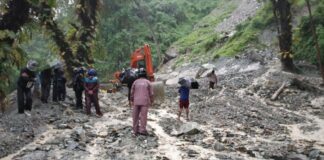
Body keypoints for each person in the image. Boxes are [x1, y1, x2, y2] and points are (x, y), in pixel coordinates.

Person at [130, 68, 153, 136]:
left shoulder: (135, 82)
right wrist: (152, 100)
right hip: (145, 102)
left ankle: (135, 130)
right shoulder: (148, 82)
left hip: (136, 101)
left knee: (135, 116)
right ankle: (142, 130)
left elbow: (132, 92)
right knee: (143, 116)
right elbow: (151, 93)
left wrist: (132, 100)